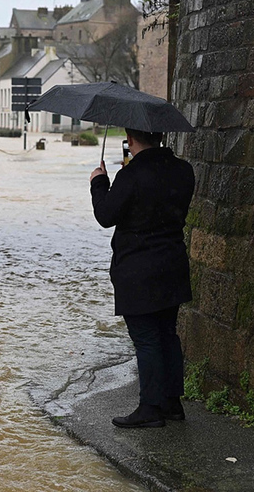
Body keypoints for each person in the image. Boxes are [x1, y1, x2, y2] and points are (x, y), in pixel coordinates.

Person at [89, 128, 195, 428]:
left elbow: (105, 215)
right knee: (167, 334)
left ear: (130, 139)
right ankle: (172, 404)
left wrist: (99, 183)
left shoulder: (131, 175)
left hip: (138, 270)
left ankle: (149, 408)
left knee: (147, 339)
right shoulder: (183, 170)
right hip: (173, 264)